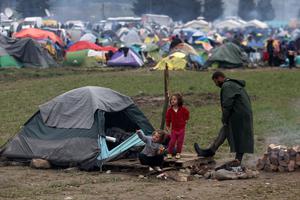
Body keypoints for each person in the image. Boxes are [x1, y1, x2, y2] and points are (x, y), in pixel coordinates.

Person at [194, 71, 254, 164]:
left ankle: (238, 160)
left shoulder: (227, 86)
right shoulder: (232, 84)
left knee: (240, 136)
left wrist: (224, 118)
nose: (216, 84)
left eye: (215, 82)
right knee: (226, 129)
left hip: (239, 114)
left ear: (219, 78)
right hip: (240, 113)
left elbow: (227, 105)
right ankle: (211, 151)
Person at [166, 93, 190, 159]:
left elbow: (187, 113)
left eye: (174, 99)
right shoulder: (170, 111)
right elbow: (168, 119)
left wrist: (186, 120)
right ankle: (169, 153)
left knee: (180, 141)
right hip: (174, 129)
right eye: (171, 99)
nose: (172, 101)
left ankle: (178, 153)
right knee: (172, 142)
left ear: (179, 101)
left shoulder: (183, 109)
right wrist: (168, 127)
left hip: (181, 129)